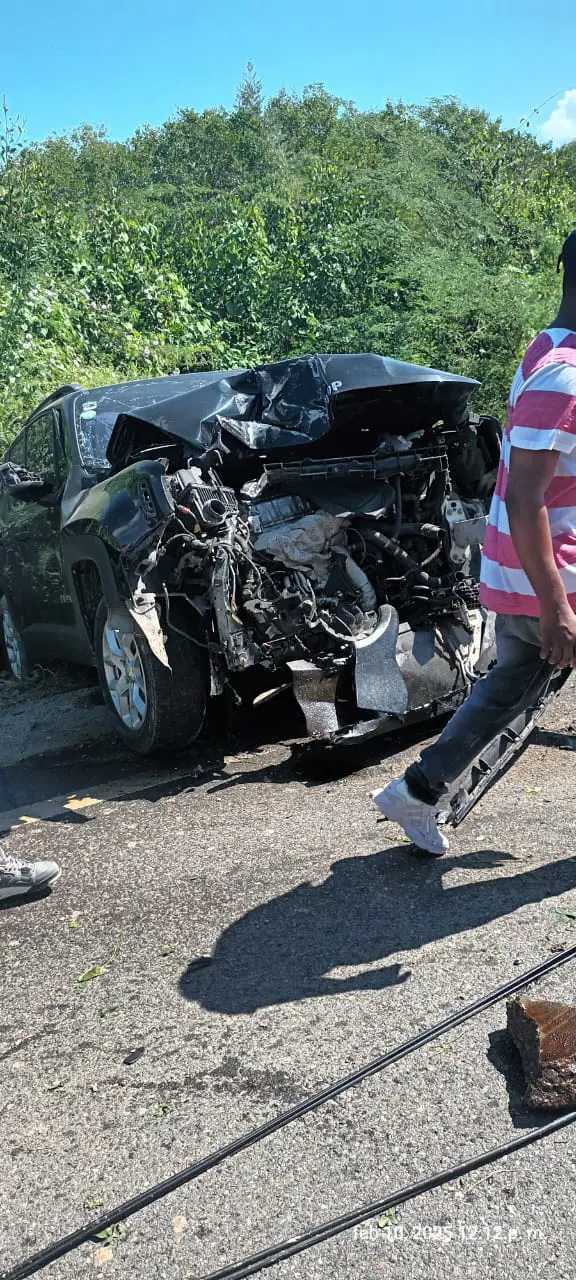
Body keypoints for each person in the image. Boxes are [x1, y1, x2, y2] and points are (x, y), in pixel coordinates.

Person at [373, 229, 576, 855]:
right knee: (513, 682)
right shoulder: (565, 375)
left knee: (511, 684)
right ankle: (419, 789)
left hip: (533, 570)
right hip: (549, 576)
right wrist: (555, 606)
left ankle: (419, 789)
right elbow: (524, 499)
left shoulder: (548, 347)